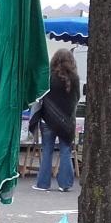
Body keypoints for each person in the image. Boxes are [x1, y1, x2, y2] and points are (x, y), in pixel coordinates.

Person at [33, 49, 81, 192]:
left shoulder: (48, 77)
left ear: (54, 60)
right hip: (67, 121)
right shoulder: (75, 79)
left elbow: (40, 97)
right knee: (65, 151)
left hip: (47, 120)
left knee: (47, 150)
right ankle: (65, 184)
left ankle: (43, 184)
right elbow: (76, 99)